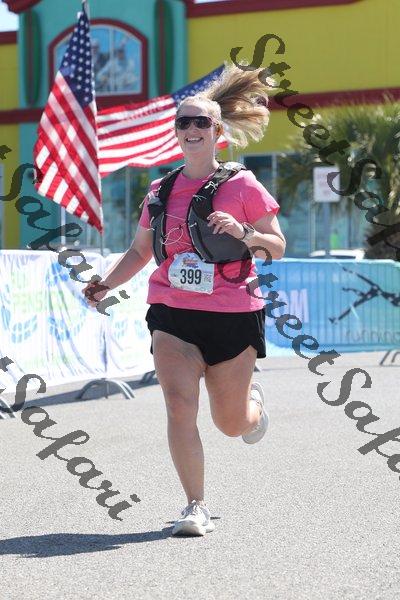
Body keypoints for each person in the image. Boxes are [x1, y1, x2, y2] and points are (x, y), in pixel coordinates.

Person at [83, 64, 286, 537]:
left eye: (201, 122)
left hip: (233, 314)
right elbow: (140, 251)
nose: (191, 128)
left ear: (217, 133)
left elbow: (276, 246)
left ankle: (252, 407)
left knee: (231, 423)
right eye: (183, 122)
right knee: (178, 404)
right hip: (172, 313)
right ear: (176, 132)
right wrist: (106, 284)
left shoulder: (242, 186)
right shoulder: (160, 190)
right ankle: (195, 506)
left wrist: (245, 233)